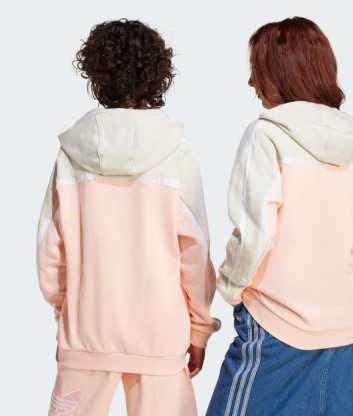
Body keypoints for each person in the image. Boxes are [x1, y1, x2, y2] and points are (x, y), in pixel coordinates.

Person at [37, 19, 219, 416]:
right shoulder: (177, 153)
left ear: (96, 75)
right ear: (158, 75)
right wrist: (199, 327)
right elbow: (195, 252)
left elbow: (50, 249)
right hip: (159, 333)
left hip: (86, 330)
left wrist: (67, 309)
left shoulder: (71, 153)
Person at [207, 17, 353, 416]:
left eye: (256, 69)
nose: (251, 82)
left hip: (276, 323)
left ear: (283, 71)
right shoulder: (350, 147)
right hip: (340, 327)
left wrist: (230, 287)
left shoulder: (266, 135)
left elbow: (256, 230)